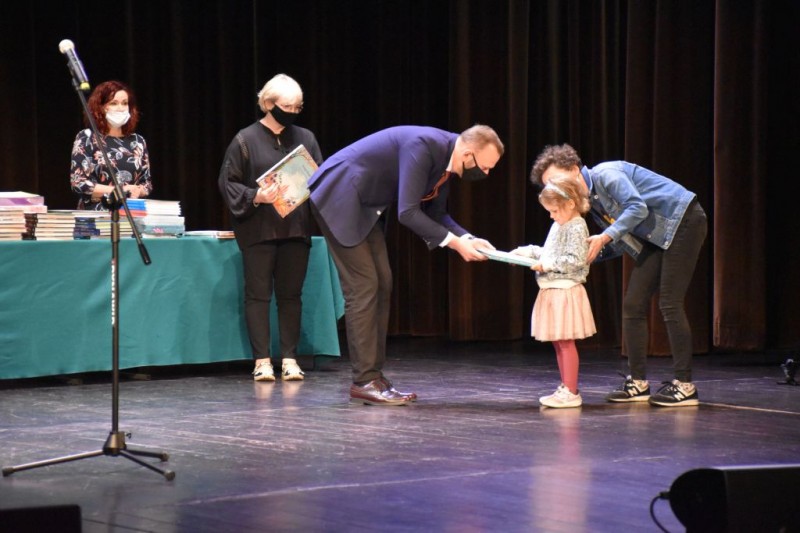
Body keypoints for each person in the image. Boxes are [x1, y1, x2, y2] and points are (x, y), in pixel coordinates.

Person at [308, 125, 504, 406]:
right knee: (363, 286)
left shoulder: (446, 161)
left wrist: (468, 238)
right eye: (484, 167)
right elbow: (408, 211)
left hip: (365, 205)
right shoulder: (424, 146)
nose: (485, 173)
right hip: (339, 194)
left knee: (382, 283)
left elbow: (436, 213)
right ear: (467, 153)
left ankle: (373, 376)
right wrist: (455, 244)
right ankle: (364, 381)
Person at [530, 143, 707, 407]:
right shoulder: (592, 203)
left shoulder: (607, 174)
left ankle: (685, 385)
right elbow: (621, 239)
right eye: (548, 185)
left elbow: (637, 208)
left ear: (575, 170)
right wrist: (590, 253)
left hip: (683, 221)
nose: (553, 188)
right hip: (655, 236)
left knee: (670, 302)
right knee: (633, 304)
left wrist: (604, 237)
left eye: (555, 180)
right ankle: (638, 382)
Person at [218, 74, 323, 383]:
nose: (292, 112)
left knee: (291, 295)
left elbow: (321, 178)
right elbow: (228, 182)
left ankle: (290, 358)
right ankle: (262, 361)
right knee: (258, 295)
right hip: (259, 230)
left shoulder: (306, 138)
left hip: (295, 228)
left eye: (297, 107)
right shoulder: (245, 140)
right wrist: (256, 195)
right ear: (267, 103)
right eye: (286, 106)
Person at [512, 175, 596, 408]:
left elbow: (575, 260)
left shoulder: (576, 226)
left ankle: (571, 391)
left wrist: (546, 265)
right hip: (553, 289)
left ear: (570, 204)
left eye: (554, 211)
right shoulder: (560, 224)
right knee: (559, 342)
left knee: (566, 342)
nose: (551, 215)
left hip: (564, 291)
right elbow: (551, 252)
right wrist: (528, 252)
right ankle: (566, 387)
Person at [70, 80, 152, 210]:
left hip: (130, 212)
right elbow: (78, 183)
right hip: (97, 213)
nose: (120, 108)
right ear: (101, 107)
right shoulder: (87, 137)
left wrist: (138, 191)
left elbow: (146, 184)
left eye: (124, 103)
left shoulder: (138, 141)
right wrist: (119, 191)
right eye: (114, 103)